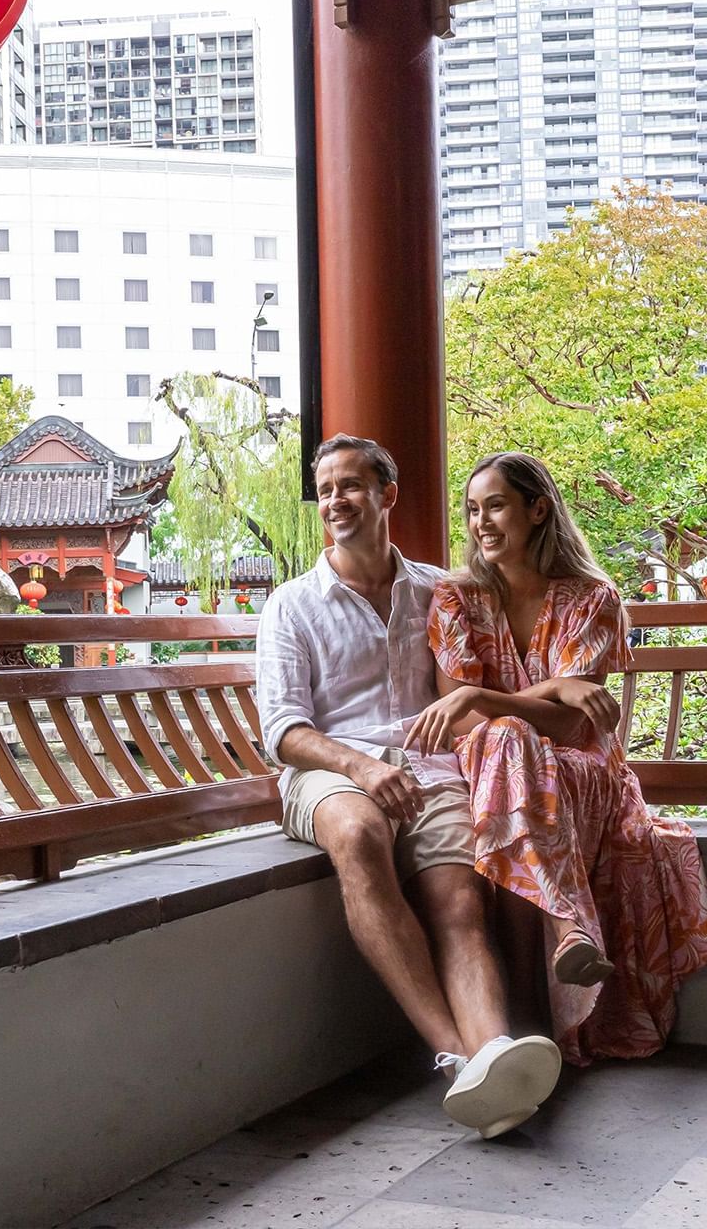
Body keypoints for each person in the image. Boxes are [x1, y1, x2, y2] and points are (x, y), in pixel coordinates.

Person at [256, 434, 562, 1139]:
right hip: (329, 772)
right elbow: (282, 730)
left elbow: (496, 682)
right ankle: (459, 1058)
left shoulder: (440, 591)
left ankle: (495, 1061)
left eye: (352, 485)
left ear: (387, 495)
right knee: (359, 832)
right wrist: (362, 768)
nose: (336, 500)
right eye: (327, 488)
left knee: (460, 900)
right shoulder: (292, 605)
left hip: (430, 773)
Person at [404, 451, 707, 1064]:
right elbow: (463, 716)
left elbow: (576, 728)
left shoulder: (591, 598)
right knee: (506, 743)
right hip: (492, 766)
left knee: (513, 746)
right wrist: (546, 688)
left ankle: (533, 1009)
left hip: (581, 774)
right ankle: (566, 927)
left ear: (538, 509)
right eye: (472, 510)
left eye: (495, 505)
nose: (480, 523)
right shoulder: (456, 599)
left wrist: (498, 698)